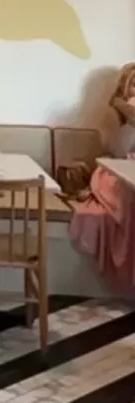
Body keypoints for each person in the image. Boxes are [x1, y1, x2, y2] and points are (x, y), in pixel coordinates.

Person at [70, 62, 135, 290]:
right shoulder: (113, 113)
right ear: (124, 87)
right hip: (113, 173)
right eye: (134, 84)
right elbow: (117, 150)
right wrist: (130, 118)